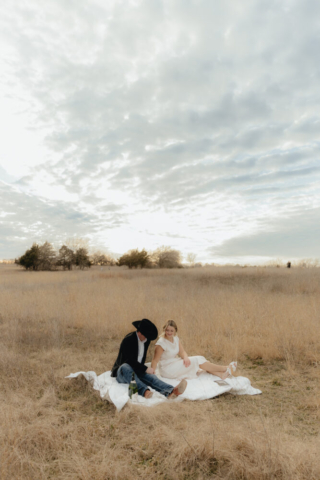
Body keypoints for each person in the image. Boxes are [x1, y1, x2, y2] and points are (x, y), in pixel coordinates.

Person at [111, 318, 187, 399]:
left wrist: (145, 370)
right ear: (140, 332)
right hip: (123, 372)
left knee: (152, 378)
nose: (147, 339)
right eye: (146, 336)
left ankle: (171, 391)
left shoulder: (145, 340)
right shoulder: (128, 340)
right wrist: (145, 368)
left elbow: (140, 362)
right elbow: (129, 361)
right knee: (126, 367)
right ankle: (144, 391)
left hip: (137, 369)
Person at [151, 320, 237, 380]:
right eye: (167, 330)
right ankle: (224, 368)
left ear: (175, 331)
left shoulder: (175, 338)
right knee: (197, 360)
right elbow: (155, 360)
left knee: (199, 359)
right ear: (164, 330)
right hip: (167, 369)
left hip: (175, 362)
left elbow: (182, 352)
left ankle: (221, 374)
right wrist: (152, 373)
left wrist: (185, 357)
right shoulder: (161, 343)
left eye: (171, 331)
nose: (169, 332)